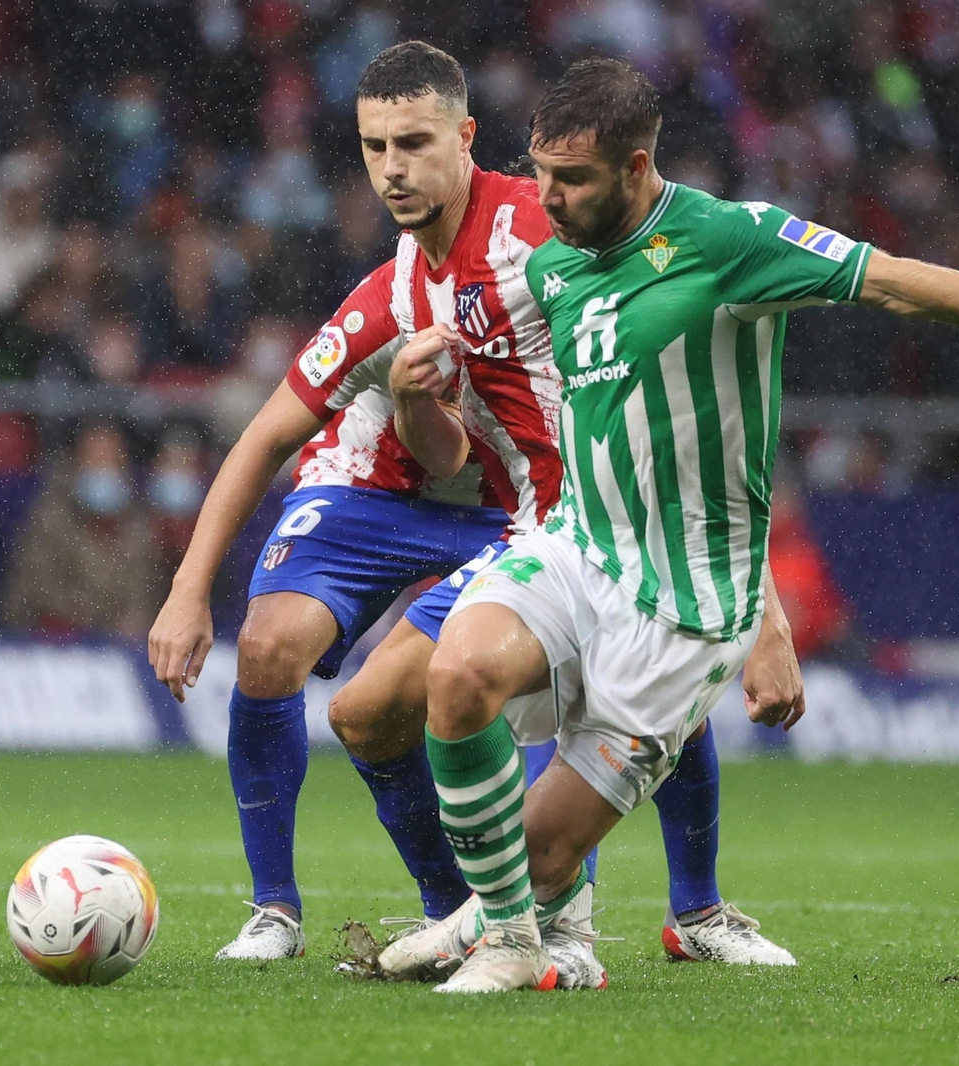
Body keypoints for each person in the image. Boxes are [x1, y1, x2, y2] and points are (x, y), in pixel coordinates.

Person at [396, 57, 959, 993]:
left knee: (538, 857)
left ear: (639, 166)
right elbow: (503, 359)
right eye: (539, 174)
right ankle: (507, 938)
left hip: (686, 605)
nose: (549, 198)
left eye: (570, 179)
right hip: (577, 550)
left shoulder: (730, 239)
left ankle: (497, 922)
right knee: (454, 675)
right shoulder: (553, 262)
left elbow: (892, 279)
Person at [147, 43, 799, 976]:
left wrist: (765, 616)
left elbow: (693, 421)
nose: (392, 169)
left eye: (413, 143)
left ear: (466, 137)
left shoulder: (554, 226)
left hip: (597, 523)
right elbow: (303, 436)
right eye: (374, 148)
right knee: (369, 712)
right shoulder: (398, 290)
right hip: (509, 517)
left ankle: (656, 914)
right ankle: (460, 910)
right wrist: (188, 587)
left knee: (623, 678)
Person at [0, 420, 161, 640]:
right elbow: (36, 591)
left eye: (111, 460)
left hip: (122, 645)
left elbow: (143, 591)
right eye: (95, 459)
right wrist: (95, 623)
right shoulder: (50, 519)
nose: (104, 469)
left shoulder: (137, 524)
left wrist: (134, 622)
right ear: (77, 464)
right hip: (56, 642)